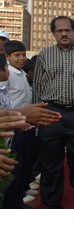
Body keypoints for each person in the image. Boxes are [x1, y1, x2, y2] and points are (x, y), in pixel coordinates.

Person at [33, 15, 74, 208]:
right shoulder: (44, 55)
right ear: (53, 33)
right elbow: (37, 86)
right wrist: (37, 115)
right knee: (50, 162)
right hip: (51, 113)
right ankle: (51, 202)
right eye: (59, 31)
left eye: (68, 30)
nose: (64, 33)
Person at [0, 40, 37, 208]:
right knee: (12, 163)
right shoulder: (7, 76)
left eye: (23, 54)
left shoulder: (21, 73)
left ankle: (21, 191)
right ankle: (12, 198)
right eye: (17, 55)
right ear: (7, 57)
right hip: (12, 126)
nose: (21, 58)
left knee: (24, 160)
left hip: (25, 124)